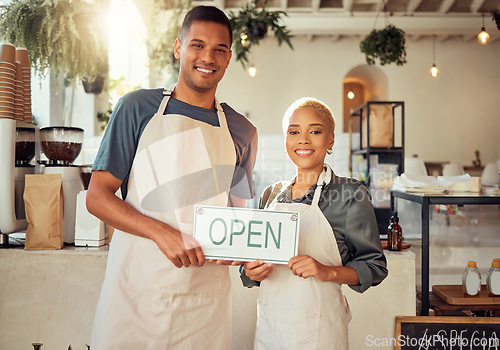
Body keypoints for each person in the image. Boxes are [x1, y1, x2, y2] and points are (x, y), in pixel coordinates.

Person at [87, 6, 257, 349]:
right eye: (197, 45)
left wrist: (250, 252)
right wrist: (161, 232)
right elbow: (98, 196)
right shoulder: (136, 108)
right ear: (179, 48)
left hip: (204, 307)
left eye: (219, 49)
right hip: (135, 296)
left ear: (228, 58)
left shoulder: (242, 131)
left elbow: (240, 215)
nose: (207, 57)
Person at [241, 97, 387, 350]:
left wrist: (327, 271)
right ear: (286, 140)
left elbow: (374, 266)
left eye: (315, 131)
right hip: (270, 328)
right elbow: (250, 263)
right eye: (294, 132)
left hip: (320, 332)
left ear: (330, 141)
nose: (303, 140)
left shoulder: (351, 193)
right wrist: (250, 272)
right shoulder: (270, 194)